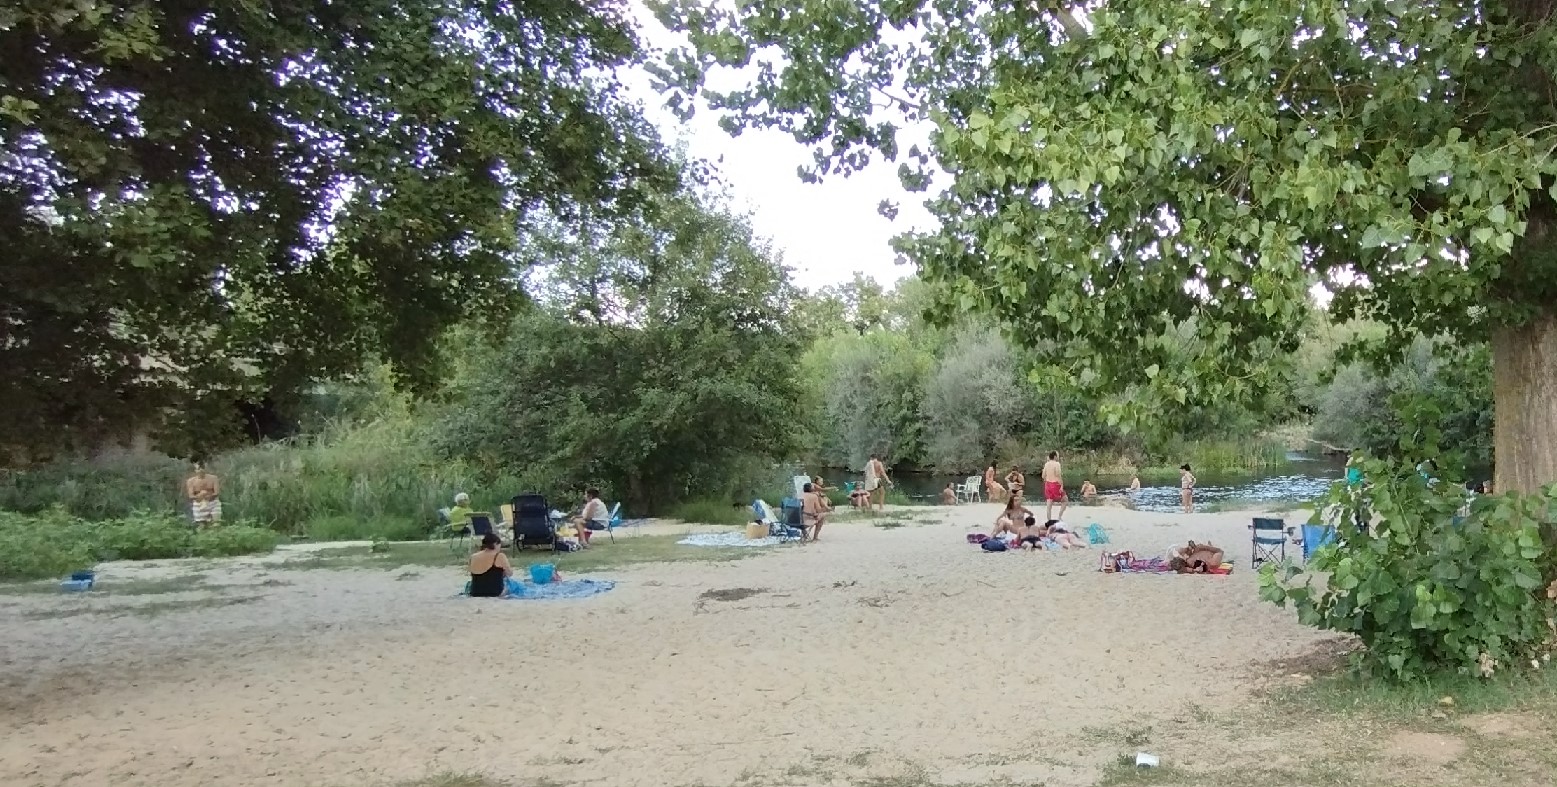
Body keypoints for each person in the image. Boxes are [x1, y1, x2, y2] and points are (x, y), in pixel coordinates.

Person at [468, 533, 513, 597]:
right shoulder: (499, 556)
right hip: (496, 593)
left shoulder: (473, 556)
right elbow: (509, 573)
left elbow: (472, 573)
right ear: (496, 544)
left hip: (475, 592)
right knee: (512, 586)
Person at [185, 462, 222, 528]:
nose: (201, 470)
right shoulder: (191, 481)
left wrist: (208, 496)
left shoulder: (213, 478)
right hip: (199, 503)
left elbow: (216, 492)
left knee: (216, 523)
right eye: (199, 469)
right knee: (201, 526)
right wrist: (200, 496)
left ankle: (217, 532)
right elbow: (191, 496)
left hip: (213, 502)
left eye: (203, 468)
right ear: (195, 470)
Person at [1041, 452, 1066, 521]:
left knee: (1049, 504)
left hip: (1048, 484)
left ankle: (1049, 520)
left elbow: (1043, 476)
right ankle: (1059, 516)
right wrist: (1061, 485)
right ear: (1055, 456)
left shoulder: (1046, 464)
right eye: (1057, 455)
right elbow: (1058, 475)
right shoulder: (1057, 464)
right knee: (1065, 500)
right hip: (1055, 484)